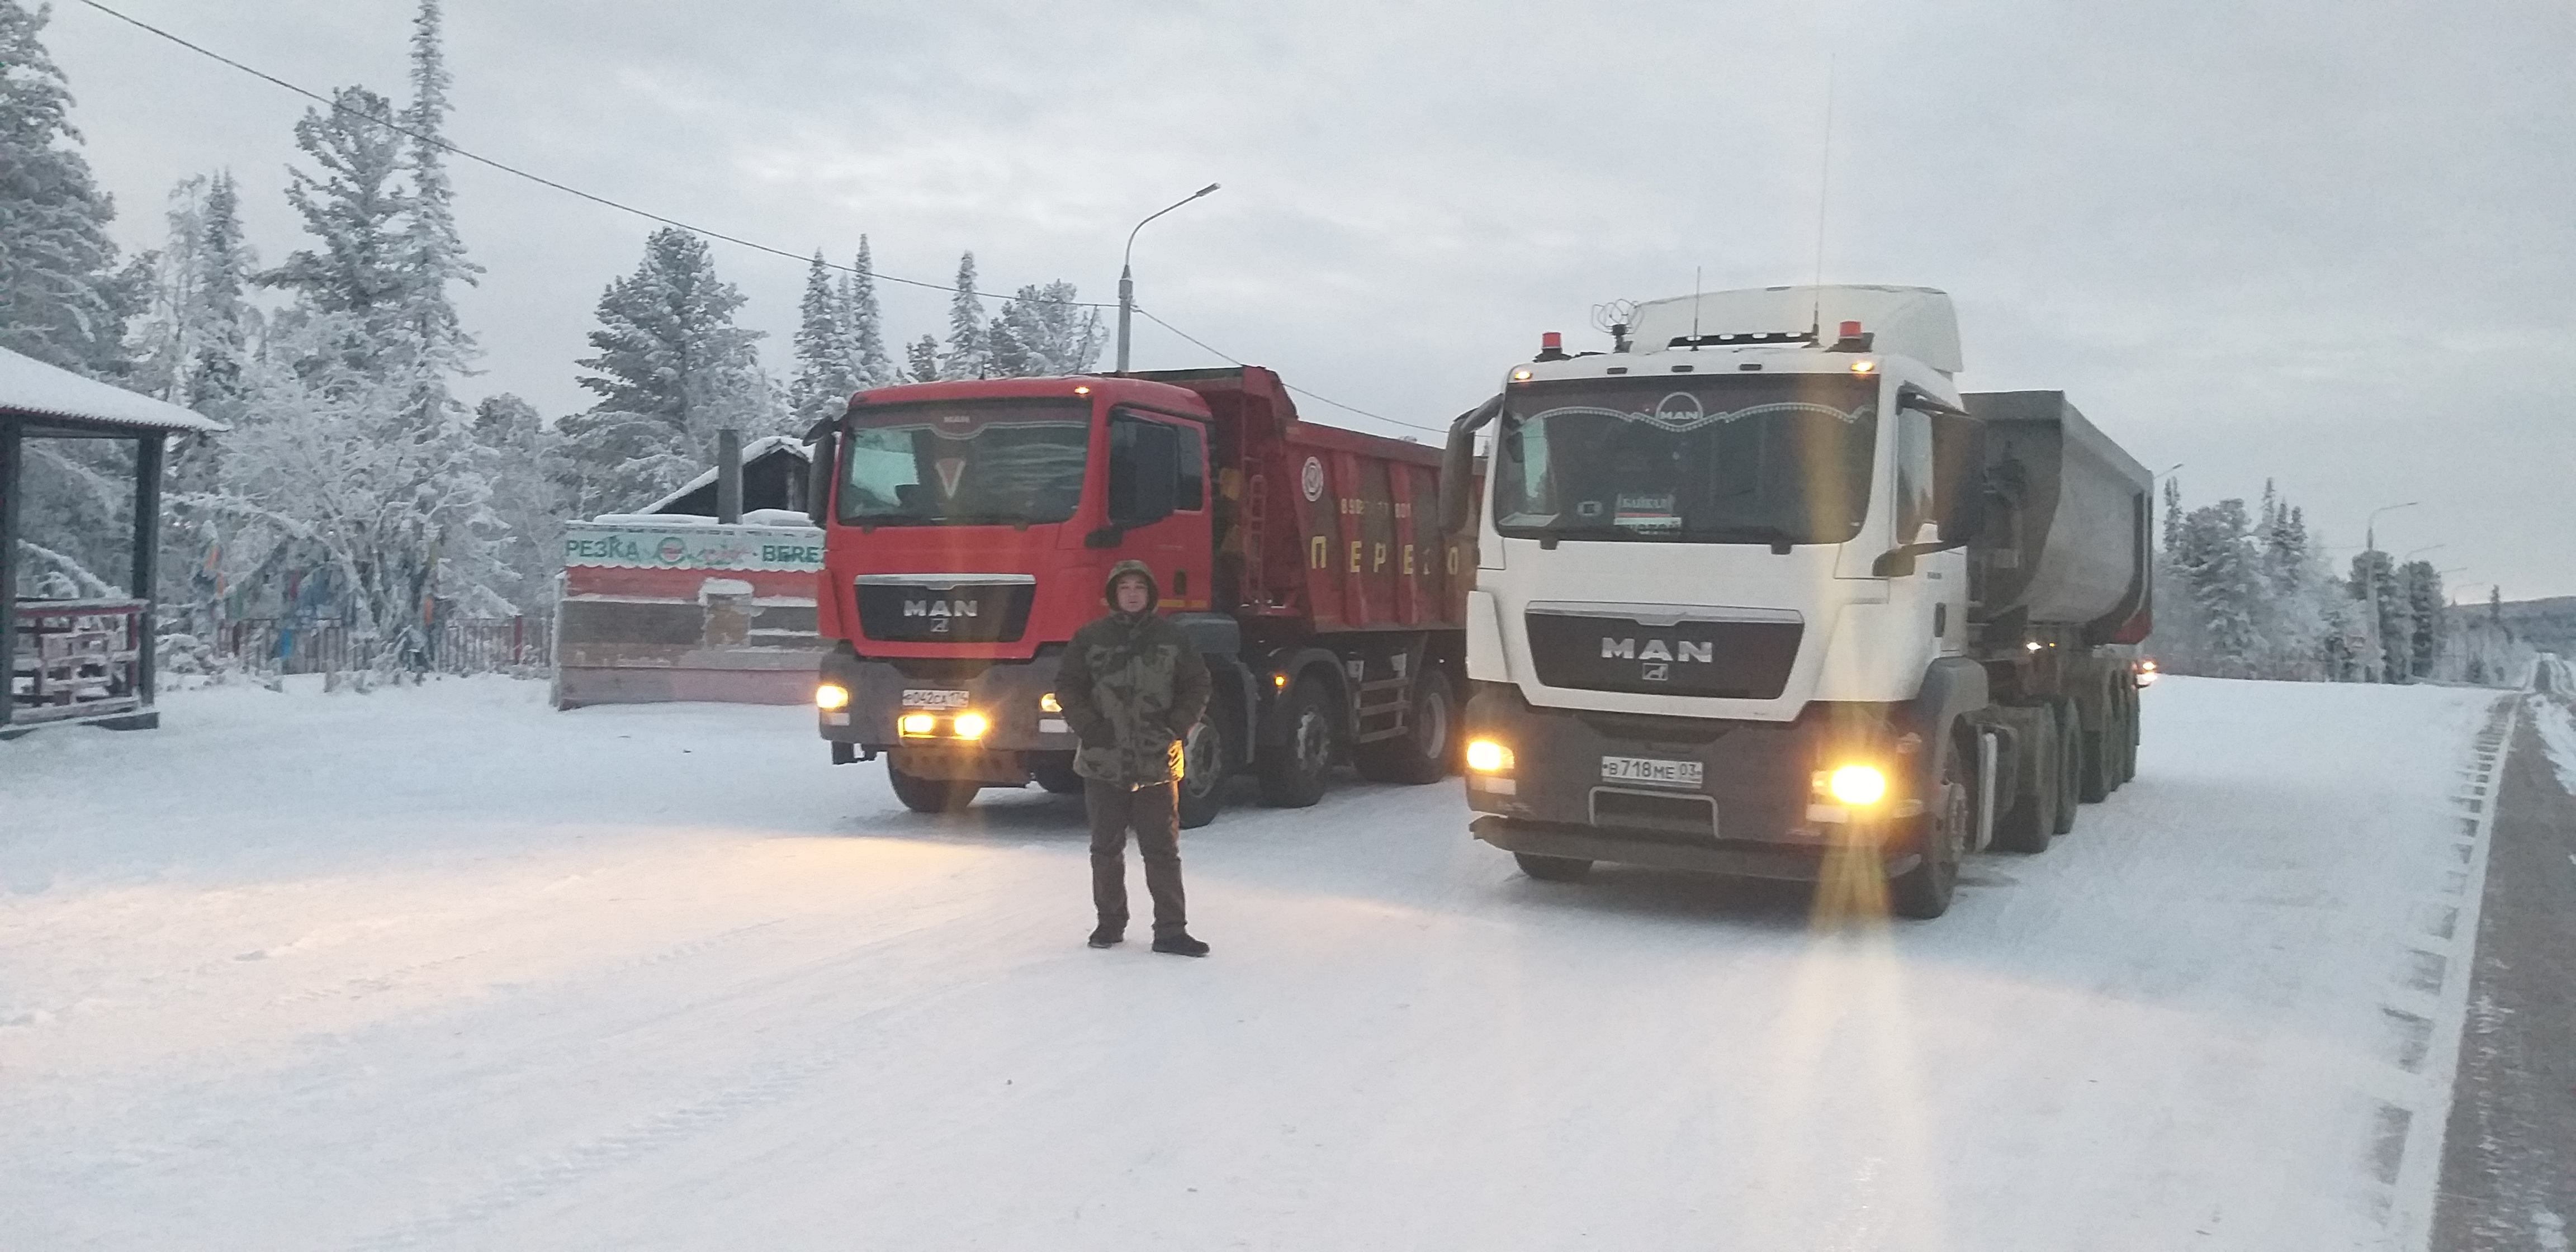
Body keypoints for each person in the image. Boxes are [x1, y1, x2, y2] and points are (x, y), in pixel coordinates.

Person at [1053, 559, 1213, 956]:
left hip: (1156, 762)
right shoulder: (1090, 638)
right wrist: (1090, 727)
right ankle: (1109, 924)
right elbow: (1067, 687)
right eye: (1124, 587)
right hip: (1102, 762)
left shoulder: (1173, 638)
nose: (1132, 594)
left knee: (1161, 850)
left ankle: (1171, 931)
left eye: (1139, 586)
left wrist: (1175, 727)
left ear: (1151, 593)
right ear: (1113, 594)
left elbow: (1197, 684)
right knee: (1105, 849)